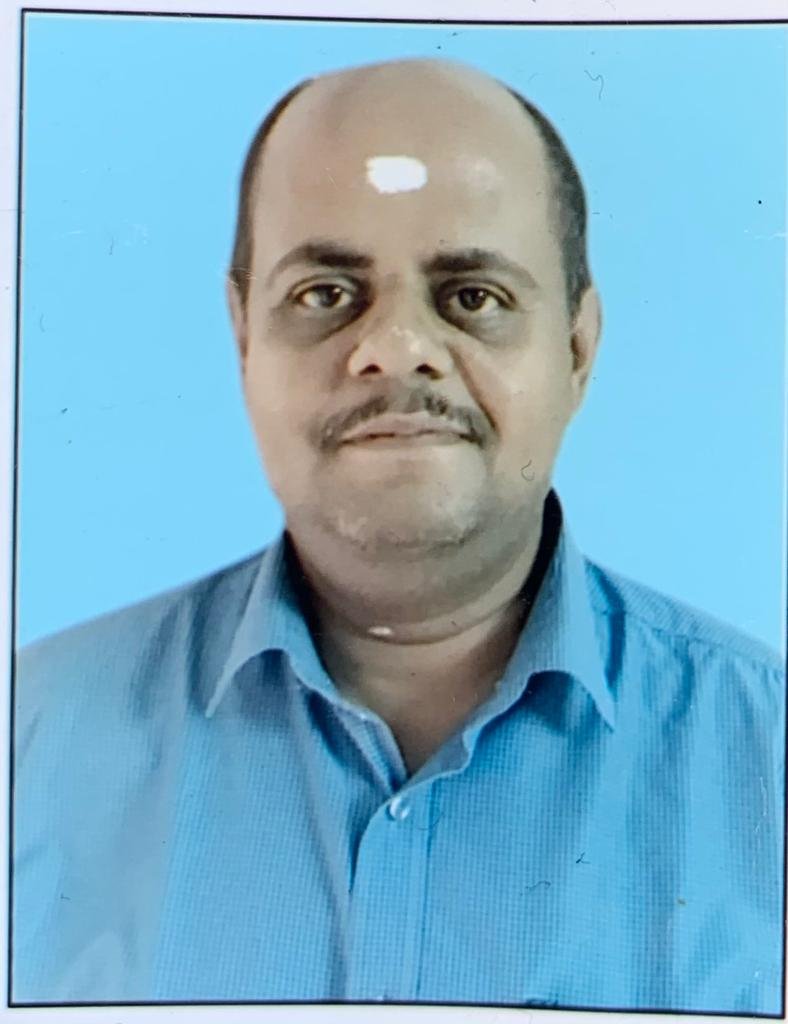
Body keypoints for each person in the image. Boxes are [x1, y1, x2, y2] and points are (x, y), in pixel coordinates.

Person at [13, 58, 784, 1012]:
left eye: (472, 296)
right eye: (327, 294)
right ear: (243, 335)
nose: (395, 349)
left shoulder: (769, 763)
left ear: (578, 348)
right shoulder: (28, 745)